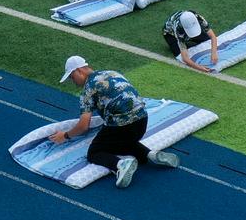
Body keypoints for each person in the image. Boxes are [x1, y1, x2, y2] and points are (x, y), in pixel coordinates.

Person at [51, 57, 180, 188]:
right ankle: (151, 154)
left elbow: (84, 126)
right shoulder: (112, 73)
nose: (73, 81)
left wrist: (65, 135)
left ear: (79, 70)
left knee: (94, 152)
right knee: (120, 144)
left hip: (122, 126)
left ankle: (120, 165)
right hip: (142, 121)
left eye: (72, 77)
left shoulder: (88, 90)